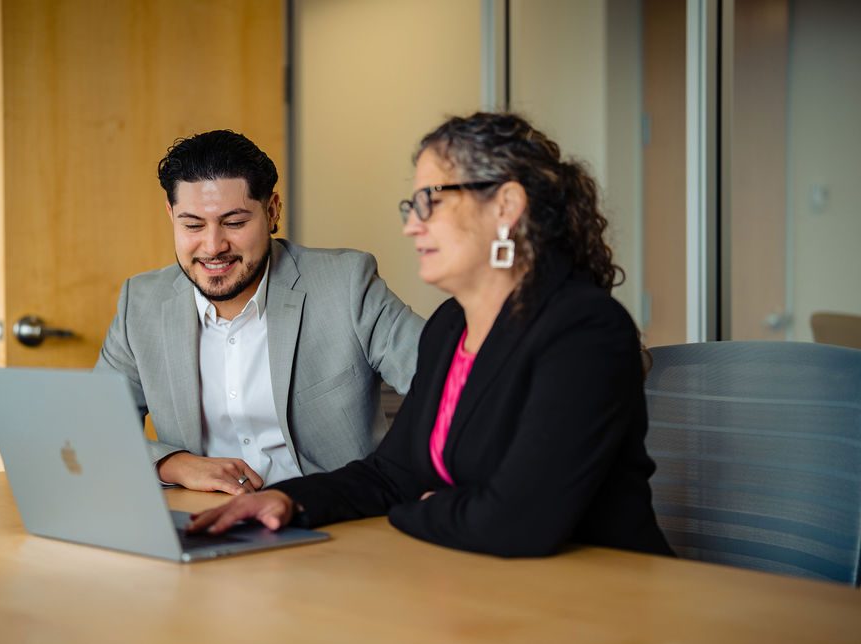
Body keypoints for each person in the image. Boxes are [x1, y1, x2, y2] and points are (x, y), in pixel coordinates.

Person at [188, 112, 674, 558]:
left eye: (431, 202)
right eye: (411, 205)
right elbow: (392, 474)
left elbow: (517, 522)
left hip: (602, 600)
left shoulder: (584, 328)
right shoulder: (451, 325)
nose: (412, 227)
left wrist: (412, 511)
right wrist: (285, 501)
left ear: (505, 205)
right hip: (485, 585)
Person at [96, 130, 424, 494]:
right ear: (171, 215)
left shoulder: (346, 285)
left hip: (330, 520)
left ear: (272, 212)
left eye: (234, 223)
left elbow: (450, 387)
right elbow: (95, 428)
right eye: (192, 225)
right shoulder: (140, 305)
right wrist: (173, 464)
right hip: (205, 522)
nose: (213, 246)